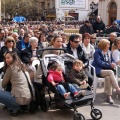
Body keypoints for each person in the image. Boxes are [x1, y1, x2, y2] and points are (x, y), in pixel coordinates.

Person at [92, 39, 120, 104]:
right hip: (99, 70)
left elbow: (113, 60)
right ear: (103, 45)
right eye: (108, 45)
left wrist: (113, 64)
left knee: (108, 77)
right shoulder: (97, 52)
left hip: (107, 71)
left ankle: (109, 96)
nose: (109, 46)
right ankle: (117, 88)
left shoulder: (109, 52)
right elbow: (99, 62)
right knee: (110, 72)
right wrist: (109, 65)